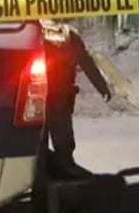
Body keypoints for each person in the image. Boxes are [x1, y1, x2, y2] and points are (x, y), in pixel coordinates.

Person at [39, 19, 112, 178]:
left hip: (36, 99)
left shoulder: (33, 30)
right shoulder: (69, 35)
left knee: (38, 147)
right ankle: (63, 174)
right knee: (63, 145)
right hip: (60, 98)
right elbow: (86, 63)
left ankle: (43, 177)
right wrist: (102, 87)